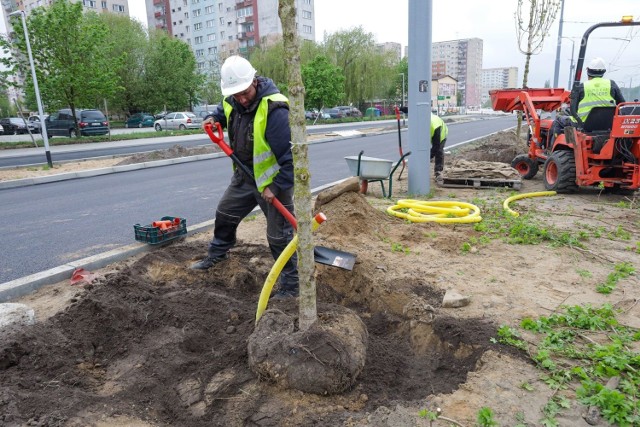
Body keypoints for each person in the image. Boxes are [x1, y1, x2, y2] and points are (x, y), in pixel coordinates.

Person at [190, 55, 299, 298]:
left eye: (244, 93)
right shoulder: (232, 100)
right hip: (244, 177)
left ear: (254, 81)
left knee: (278, 236)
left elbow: (292, 159)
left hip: (272, 183)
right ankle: (217, 255)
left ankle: (292, 285)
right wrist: (212, 119)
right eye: (235, 94)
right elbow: (221, 112)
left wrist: (277, 185)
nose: (240, 98)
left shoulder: (274, 108)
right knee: (225, 213)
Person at [549, 57, 625, 147]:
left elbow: (574, 109)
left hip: (584, 125)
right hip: (608, 125)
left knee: (558, 121)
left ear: (588, 71)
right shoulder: (612, 84)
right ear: (603, 72)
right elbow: (622, 104)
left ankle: (559, 149)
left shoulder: (582, 86)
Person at [430, 113, 448, 178]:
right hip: (432, 134)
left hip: (441, 135)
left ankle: (438, 171)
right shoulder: (420, 118)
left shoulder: (434, 126)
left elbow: (436, 146)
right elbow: (412, 110)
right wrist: (402, 109)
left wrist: (429, 156)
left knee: (439, 151)